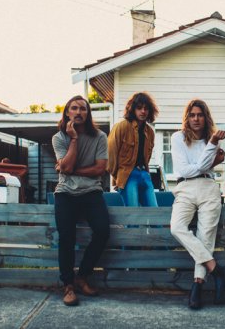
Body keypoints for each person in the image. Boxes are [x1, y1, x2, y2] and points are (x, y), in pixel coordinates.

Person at [169, 99, 225, 310]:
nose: (196, 119)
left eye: (200, 115)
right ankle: (218, 271)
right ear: (187, 118)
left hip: (208, 187)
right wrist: (211, 161)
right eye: (192, 115)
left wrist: (213, 145)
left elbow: (200, 167)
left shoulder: (211, 140)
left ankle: (197, 285)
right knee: (177, 227)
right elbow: (186, 171)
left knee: (205, 237)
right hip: (185, 188)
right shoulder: (178, 138)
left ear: (206, 117)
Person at [52, 95, 110, 306]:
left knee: (103, 231)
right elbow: (65, 169)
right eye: (74, 108)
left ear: (88, 113)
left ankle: (82, 276)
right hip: (65, 192)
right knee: (66, 237)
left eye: (83, 109)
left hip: (92, 192)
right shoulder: (59, 137)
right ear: (67, 112)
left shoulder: (100, 137)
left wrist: (71, 170)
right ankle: (68, 285)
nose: (78, 112)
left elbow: (100, 170)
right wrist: (74, 139)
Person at [107, 92, 159, 206]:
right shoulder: (122, 126)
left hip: (145, 174)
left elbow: (147, 156)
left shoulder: (149, 132)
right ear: (132, 109)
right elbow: (110, 153)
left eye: (146, 108)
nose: (143, 111)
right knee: (133, 217)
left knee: (155, 215)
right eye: (139, 108)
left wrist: (146, 172)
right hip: (128, 175)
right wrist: (118, 176)